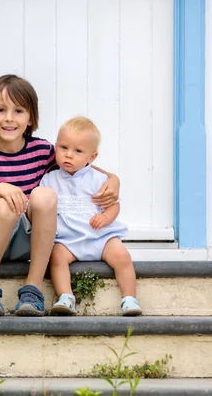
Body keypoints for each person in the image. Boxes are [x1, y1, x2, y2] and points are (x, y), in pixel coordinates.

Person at [0, 74, 120, 317]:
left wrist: (113, 178)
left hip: (28, 243)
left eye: (19, 111)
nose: (9, 119)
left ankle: (32, 290)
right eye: (0, 110)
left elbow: (81, 164)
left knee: (45, 195)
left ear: (31, 117)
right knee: (5, 206)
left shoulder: (43, 150)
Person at [39, 116, 142, 316]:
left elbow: (113, 206)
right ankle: (66, 297)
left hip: (99, 237)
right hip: (68, 241)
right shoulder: (50, 179)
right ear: (55, 147)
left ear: (92, 157)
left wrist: (105, 218)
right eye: (63, 148)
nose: (69, 155)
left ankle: (129, 299)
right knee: (56, 257)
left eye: (78, 151)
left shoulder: (98, 179)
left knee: (122, 256)